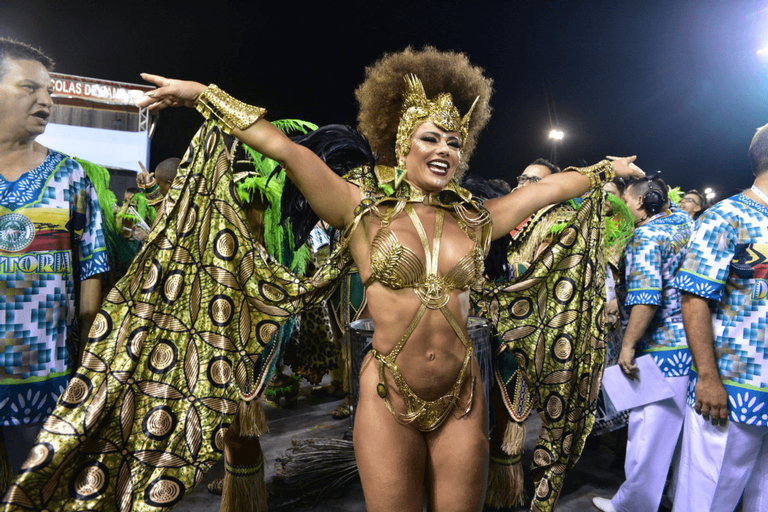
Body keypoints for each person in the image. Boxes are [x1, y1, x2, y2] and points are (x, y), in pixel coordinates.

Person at [2, 47, 642, 512]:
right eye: (429, 137)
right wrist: (205, 96)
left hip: (462, 400)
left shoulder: (478, 221)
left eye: (454, 139)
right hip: (386, 396)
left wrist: (604, 169)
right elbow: (288, 149)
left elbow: (551, 189)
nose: (444, 149)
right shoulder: (360, 211)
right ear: (400, 138)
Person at [0, 39, 108, 489]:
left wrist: (87, 348)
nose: (45, 101)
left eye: (50, 93)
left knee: (39, 493)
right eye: (29, 88)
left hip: (44, 377)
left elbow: (92, 265)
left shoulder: (70, 176)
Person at [670, 124, 768, 512]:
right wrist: (708, 378)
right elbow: (695, 299)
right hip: (732, 386)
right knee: (708, 499)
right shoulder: (727, 216)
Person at [592, 174, 693, 512]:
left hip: (660, 350)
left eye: (627, 199)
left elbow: (647, 298)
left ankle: (632, 506)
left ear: (637, 203)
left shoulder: (645, 238)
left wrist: (627, 345)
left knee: (647, 435)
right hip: (694, 347)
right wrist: (651, 187)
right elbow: (666, 201)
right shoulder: (683, 222)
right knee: (679, 439)